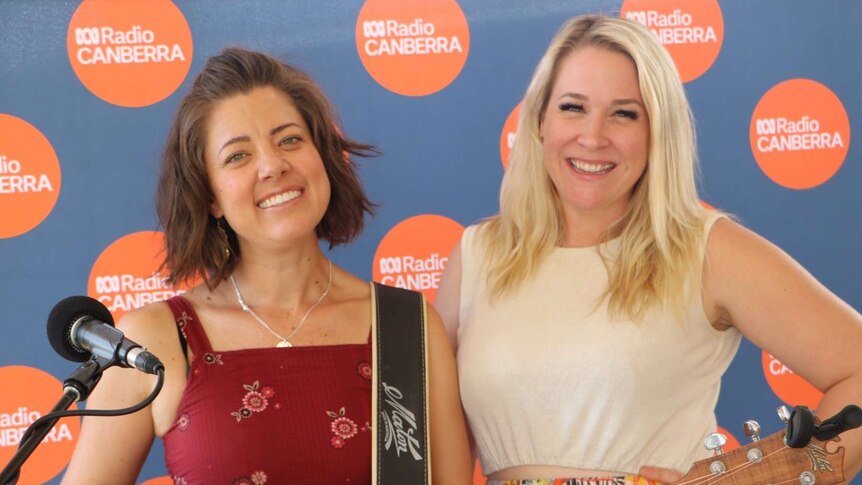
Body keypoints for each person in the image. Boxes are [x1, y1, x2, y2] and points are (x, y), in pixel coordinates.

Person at [435, 14, 862, 485]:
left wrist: (759, 479)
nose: (593, 137)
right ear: (539, 122)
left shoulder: (705, 250)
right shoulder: (478, 255)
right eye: (573, 107)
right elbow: (436, 453)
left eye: (624, 113)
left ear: (658, 132)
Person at [62, 47, 472, 484]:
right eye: (238, 155)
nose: (274, 165)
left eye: (290, 139)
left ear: (324, 158)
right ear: (211, 196)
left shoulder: (409, 327)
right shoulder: (155, 340)